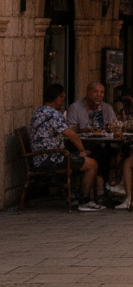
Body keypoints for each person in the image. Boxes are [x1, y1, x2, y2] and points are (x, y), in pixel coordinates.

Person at [30, 83, 101, 211]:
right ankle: (84, 200)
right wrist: (82, 150)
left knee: (79, 160)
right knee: (92, 164)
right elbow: (69, 133)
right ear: (59, 97)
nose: (63, 100)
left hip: (39, 157)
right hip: (50, 159)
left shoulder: (39, 111)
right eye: (62, 97)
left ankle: (73, 194)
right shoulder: (53, 114)